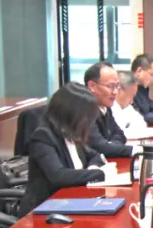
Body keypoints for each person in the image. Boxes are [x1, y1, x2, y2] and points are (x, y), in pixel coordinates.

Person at [18, 83, 106, 215]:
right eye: (85, 117)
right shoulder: (43, 136)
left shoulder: (71, 134)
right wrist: (98, 173)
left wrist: (93, 167)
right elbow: (59, 176)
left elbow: (95, 155)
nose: (87, 122)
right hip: (45, 209)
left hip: (70, 200)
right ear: (71, 114)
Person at [84, 62, 136, 158]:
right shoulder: (84, 110)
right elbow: (100, 147)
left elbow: (120, 134)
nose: (115, 92)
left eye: (117, 86)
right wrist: (135, 150)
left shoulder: (105, 107)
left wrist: (111, 146)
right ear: (92, 86)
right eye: (110, 86)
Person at [112, 70, 153, 138]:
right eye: (131, 95)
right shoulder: (108, 107)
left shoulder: (127, 107)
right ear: (119, 90)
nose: (132, 101)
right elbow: (119, 134)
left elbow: (142, 124)